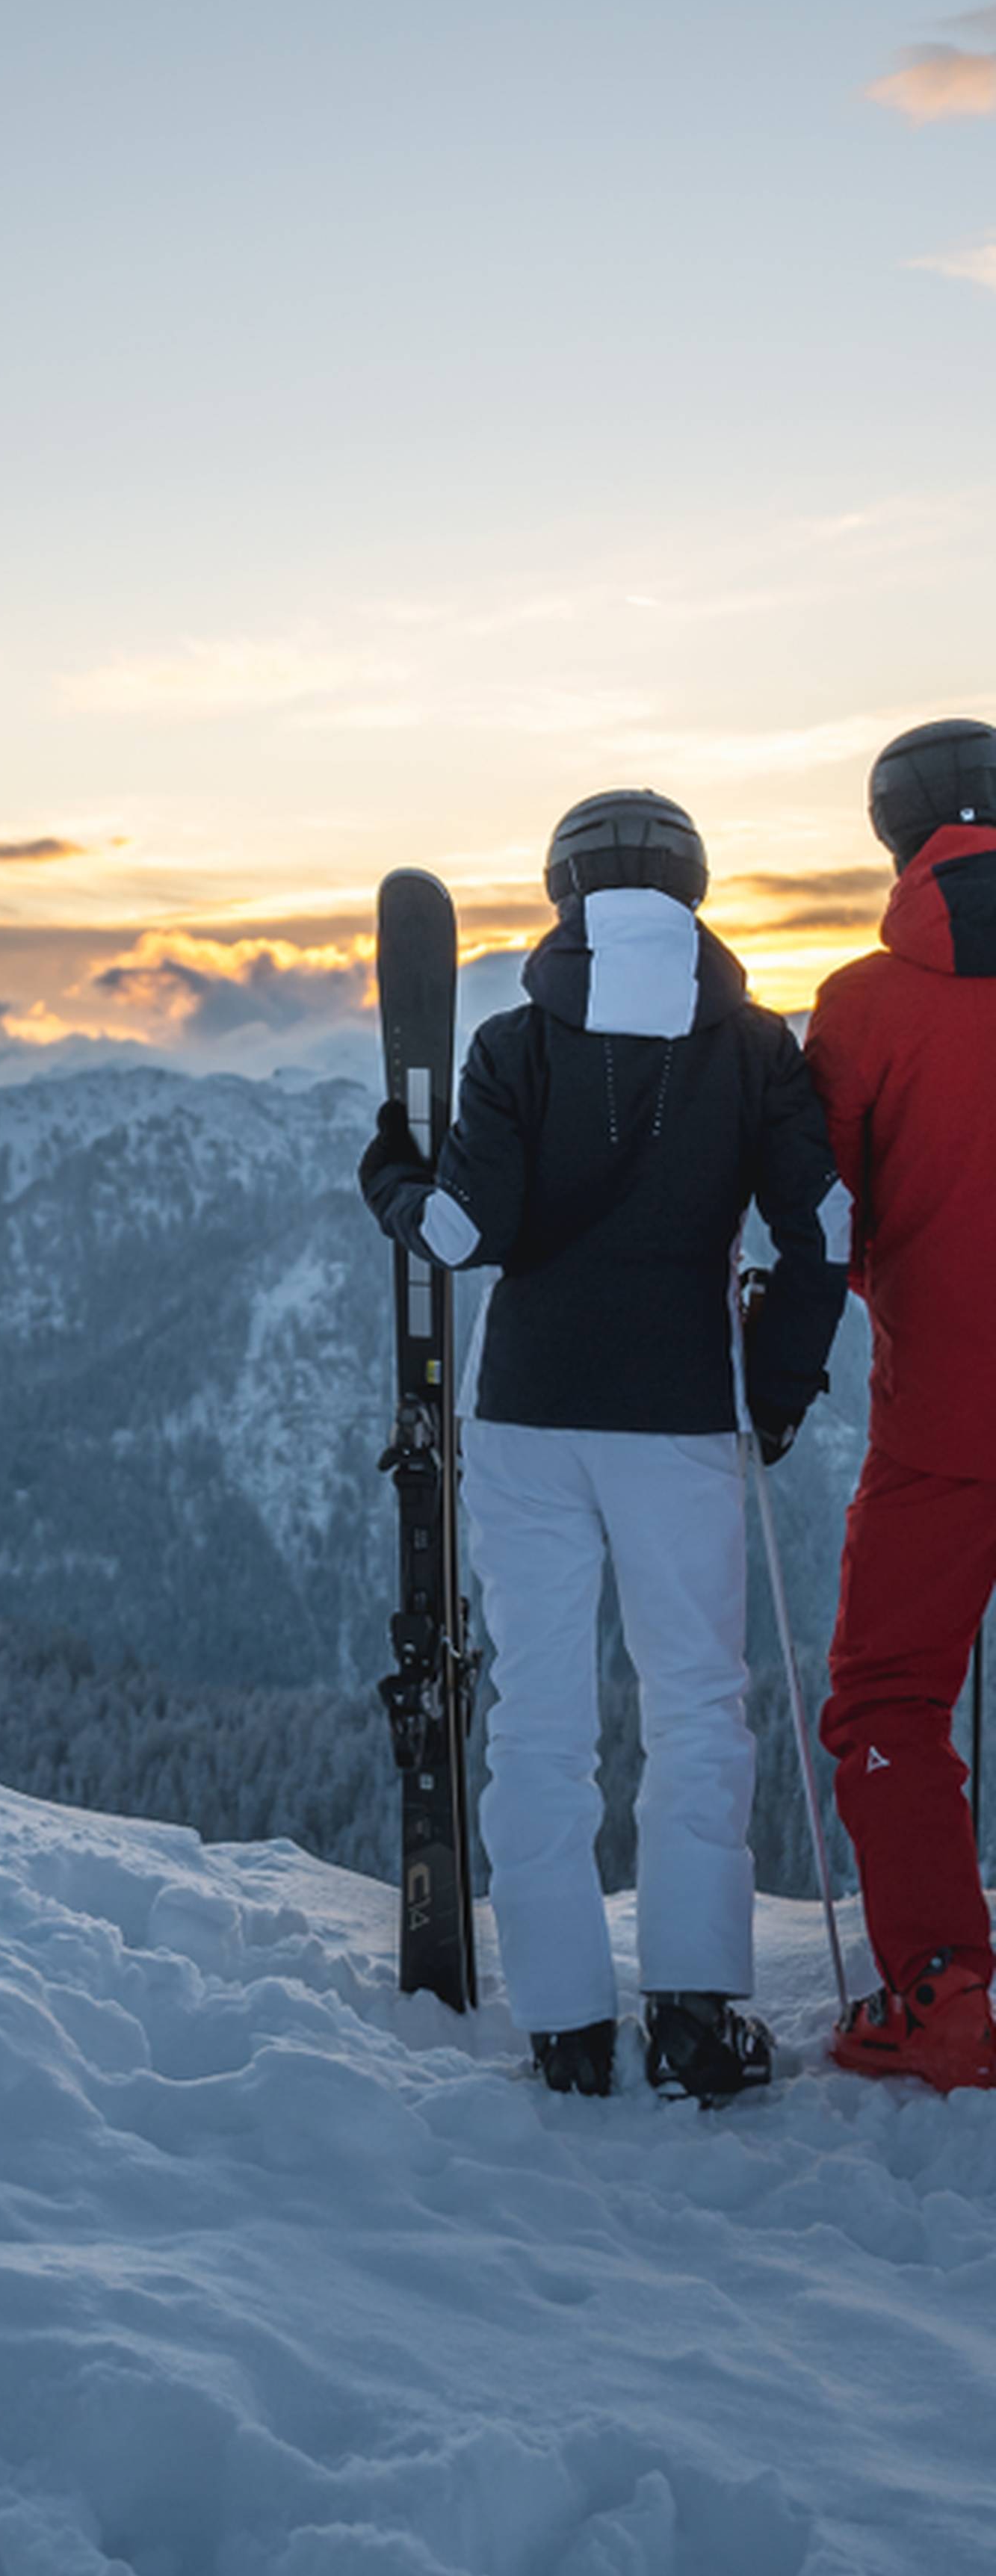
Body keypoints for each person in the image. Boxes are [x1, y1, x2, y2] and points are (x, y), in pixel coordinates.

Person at [360, 790, 847, 2104]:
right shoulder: (754, 1047)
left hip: (525, 1413)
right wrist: (785, 1378)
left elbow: (464, 1237)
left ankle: (566, 2026)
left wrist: (389, 1177)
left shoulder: (517, 1044)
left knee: (541, 1721)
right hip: (682, 1416)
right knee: (698, 1709)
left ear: (562, 891)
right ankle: (695, 2012)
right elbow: (824, 1225)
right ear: (694, 890)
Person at [806, 716, 996, 2093]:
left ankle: (943, 1996)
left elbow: (826, 1213)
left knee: (890, 1697)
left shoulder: (867, 1004)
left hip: (949, 1420)